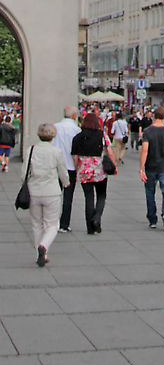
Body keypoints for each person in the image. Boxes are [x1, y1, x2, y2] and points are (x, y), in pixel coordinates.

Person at [25, 123, 70, 266]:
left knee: (36, 224)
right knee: (52, 224)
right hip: (51, 191)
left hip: (34, 191)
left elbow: (24, 172)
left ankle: (41, 253)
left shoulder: (31, 150)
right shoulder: (56, 151)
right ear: (53, 135)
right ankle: (44, 246)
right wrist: (66, 182)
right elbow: (62, 169)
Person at [71, 113, 116, 235]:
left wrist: (76, 170)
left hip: (84, 172)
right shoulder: (102, 136)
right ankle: (97, 218)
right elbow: (110, 152)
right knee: (101, 196)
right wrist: (114, 165)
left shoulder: (77, 137)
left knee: (88, 198)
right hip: (99, 171)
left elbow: (75, 157)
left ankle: (90, 228)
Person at [139, 106, 164, 231]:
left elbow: (144, 150)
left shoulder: (147, 131)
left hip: (150, 166)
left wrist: (141, 168)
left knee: (150, 192)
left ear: (154, 116)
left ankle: (152, 219)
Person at [52, 105, 81, 233]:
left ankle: (52, 221)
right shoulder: (76, 130)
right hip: (70, 166)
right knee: (68, 197)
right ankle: (64, 223)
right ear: (74, 115)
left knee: (54, 195)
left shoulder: (55, 127)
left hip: (56, 166)